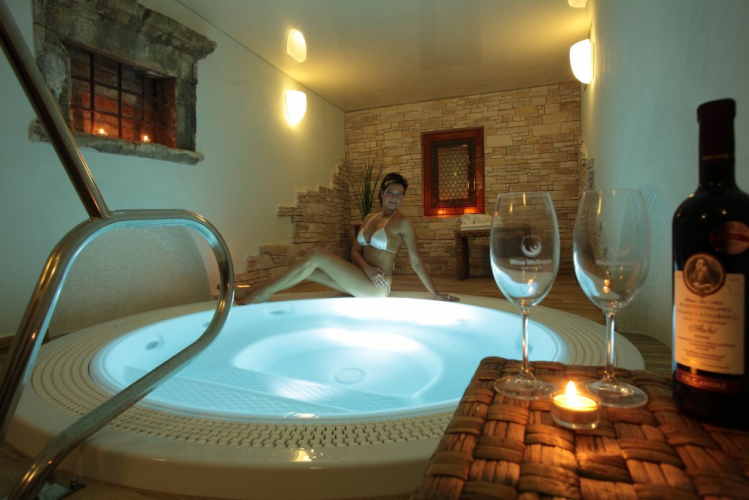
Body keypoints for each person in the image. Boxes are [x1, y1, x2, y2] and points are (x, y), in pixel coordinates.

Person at [235, 172, 459, 305]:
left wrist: (435, 293)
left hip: (376, 288)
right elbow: (354, 252)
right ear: (382, 193)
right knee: (309, 270)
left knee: (316, 255)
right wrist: (367, 268)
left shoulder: (403, 223)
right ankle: (250, 290)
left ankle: (261, 294)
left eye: (399, 195)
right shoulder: (370, 218)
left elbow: (416, 262)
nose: (395, 198)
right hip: (360, 276)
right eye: (391, 192)